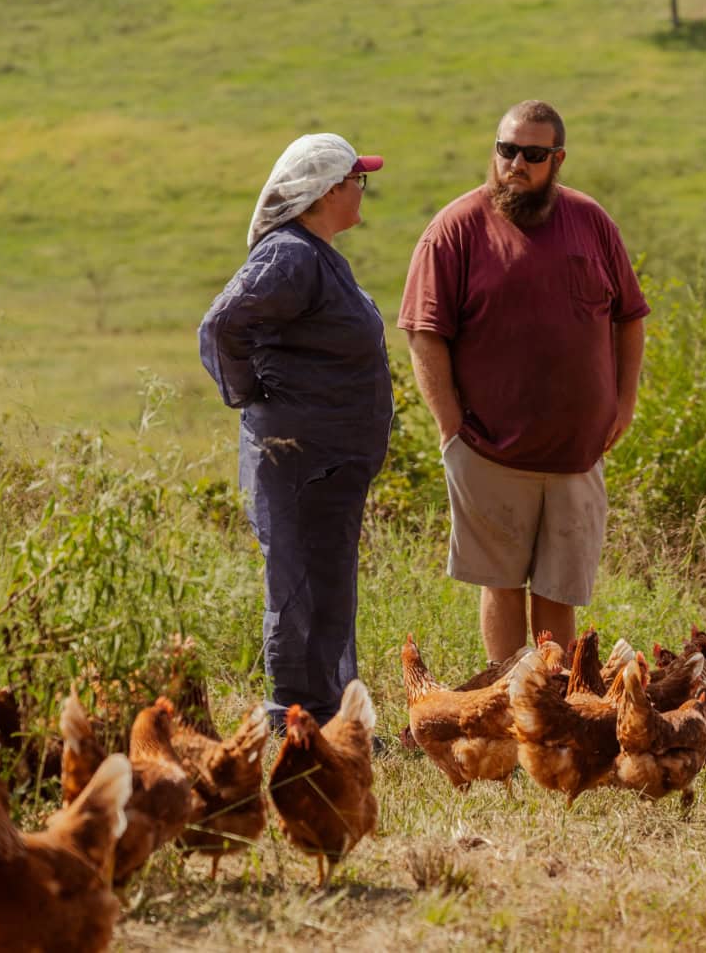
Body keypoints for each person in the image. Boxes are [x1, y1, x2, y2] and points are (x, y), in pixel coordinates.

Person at [399, 100, 648, 662]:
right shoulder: (456, 229)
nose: (515, 163)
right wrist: (452, 428)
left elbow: (629, 317)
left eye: (532, 154)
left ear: (557, 159)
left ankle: (551, 708)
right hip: (488, 450)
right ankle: (511, 703)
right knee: (502, 584)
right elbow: (423, 333)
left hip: (578, 453)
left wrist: (624, 403)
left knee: (560, 591)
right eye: (506, 150)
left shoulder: (591, 221)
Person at [199, 133, 390, 726]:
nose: (363, 190)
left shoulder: (313, 252)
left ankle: (330, 715)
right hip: (299, 458)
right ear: (329, 191)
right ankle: (294, 717)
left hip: (326, 459)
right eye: (358, 179)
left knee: (325, 581)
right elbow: (223, 324)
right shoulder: (292, 256)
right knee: (300, 583)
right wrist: (257, 395)